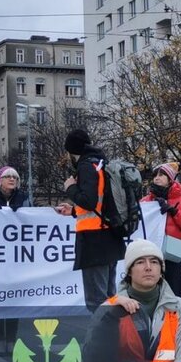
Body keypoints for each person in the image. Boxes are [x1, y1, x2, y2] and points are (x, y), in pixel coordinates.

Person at [54, 129, 127, 312]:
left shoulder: (86, 166)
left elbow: (89, 201)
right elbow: (100, 204)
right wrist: (73, 211)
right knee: (110, 299)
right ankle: (112, 339)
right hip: (110, 237)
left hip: (94, 242)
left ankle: (103, 340)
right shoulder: (102, 164)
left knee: (97, 303)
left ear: (72, 151)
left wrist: (70, 188)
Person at [0, 166, 28, 355]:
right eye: (8, 176)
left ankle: (11, 340)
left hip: (16, 258)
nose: (12, 179)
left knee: (13, 301)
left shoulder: (24, 199)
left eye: (15, 177)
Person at [142, 162, 181, 299]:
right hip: (151, 254)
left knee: (175, 295)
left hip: (174, 255)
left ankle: (175, 320)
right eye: (155, 176)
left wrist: (174, 211)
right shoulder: (145, 201)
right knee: (152, 295)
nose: (156, 178)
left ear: (170, 179)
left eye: (161, 175)